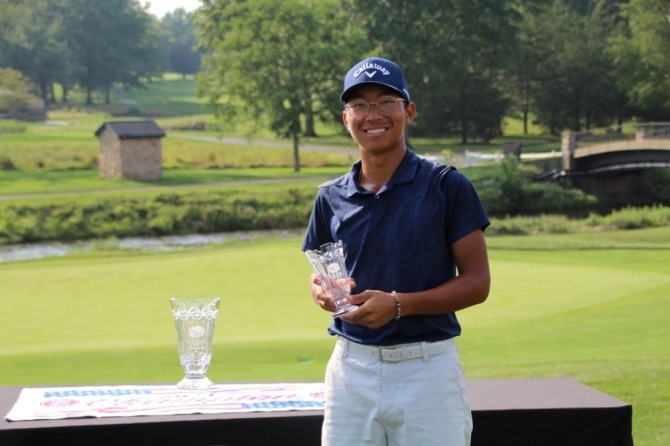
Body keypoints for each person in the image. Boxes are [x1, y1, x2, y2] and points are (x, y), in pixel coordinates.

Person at [302, 57, 491, 446]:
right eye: (359, 105)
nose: (372, 114)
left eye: (386, 100)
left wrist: (399, 304)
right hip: (351, 368)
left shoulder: (446, 186)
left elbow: (477, 283)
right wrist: (320, 290)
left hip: (427, 369)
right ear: (345, 117)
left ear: (409, 111)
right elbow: (320, 272)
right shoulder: (329, 196)